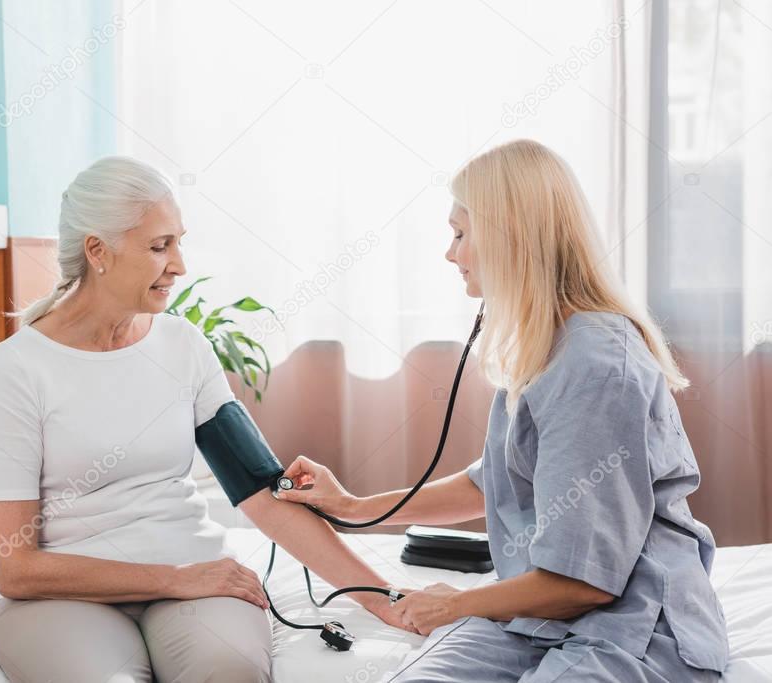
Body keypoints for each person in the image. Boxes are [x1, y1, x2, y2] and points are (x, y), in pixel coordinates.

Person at [277, 140, 728, 682]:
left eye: (461, 233)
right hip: (536, 617)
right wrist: (353, 508)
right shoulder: (549, 346)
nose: (451, 253)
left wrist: (453, 605)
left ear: (510, 234)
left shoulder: (596, 364)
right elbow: (491, 484)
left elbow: (587, 583)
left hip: (631, 628)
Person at [0, 156, 406, 683]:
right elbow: (14, 567)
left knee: (229, 673)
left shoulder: (183, 345)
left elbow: (264, 496)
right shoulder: (19, 366)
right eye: (160, 247)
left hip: (195, 573)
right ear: (97, 252)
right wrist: (175, 579)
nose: (179, 264)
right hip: (65, 593)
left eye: (179, 242)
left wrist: (385, 599)